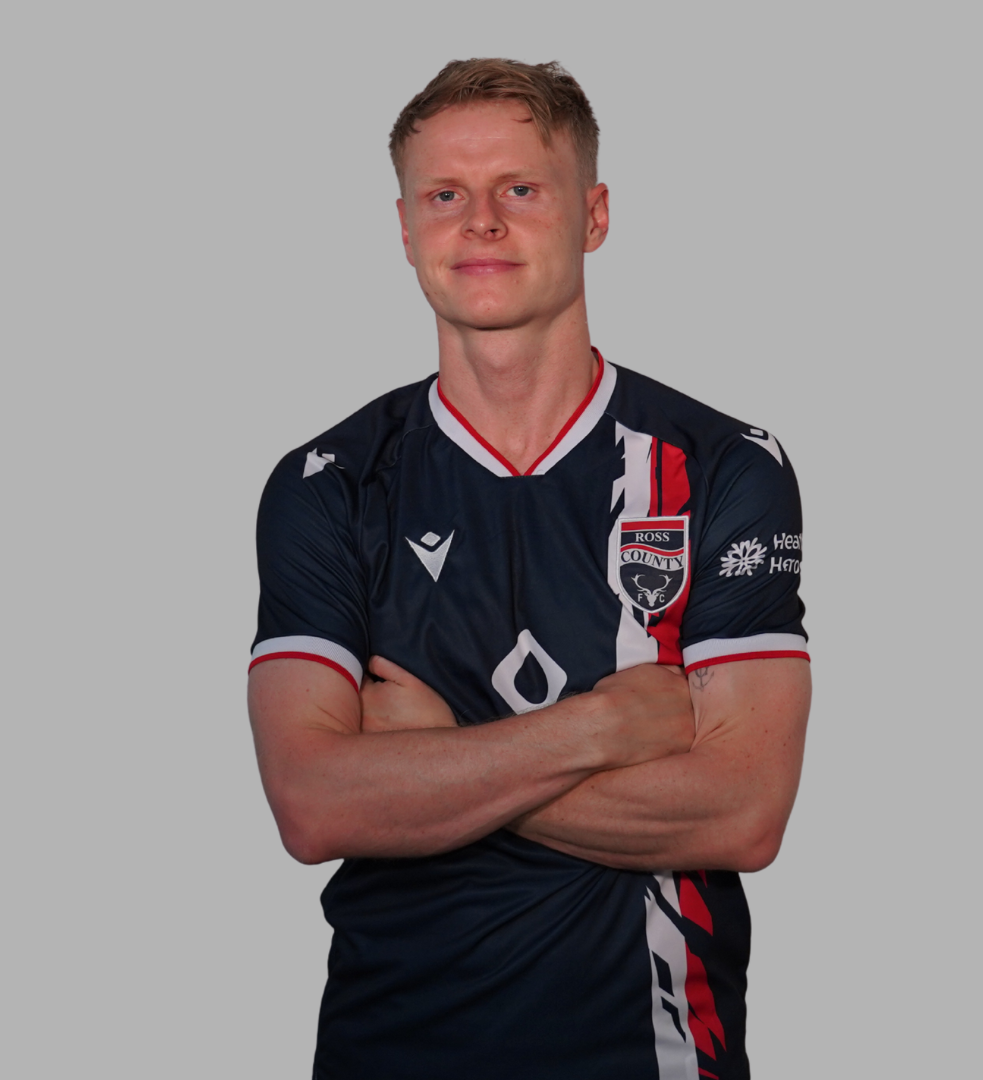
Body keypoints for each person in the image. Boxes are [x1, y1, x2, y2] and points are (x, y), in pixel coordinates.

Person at [248, 57, 811, 1080]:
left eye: (519, 189)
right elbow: (315, 804)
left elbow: (743, 813)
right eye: (445, 195)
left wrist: (433, 763)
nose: (481, 223)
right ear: (405, 228)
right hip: (387, 1055)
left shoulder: (724, 466)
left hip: (651, 1059)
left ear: (593, 215)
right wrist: (597, 731)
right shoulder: (329, 483)